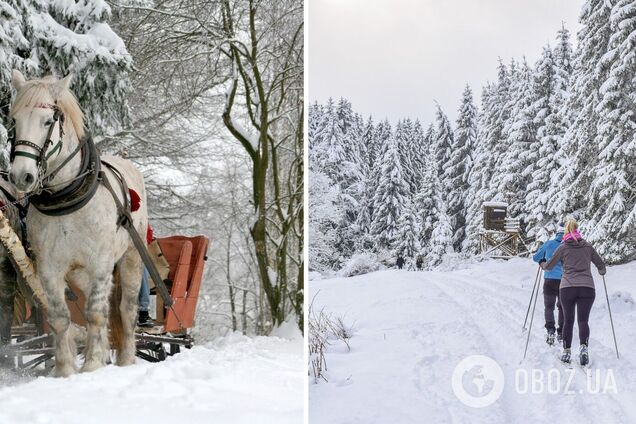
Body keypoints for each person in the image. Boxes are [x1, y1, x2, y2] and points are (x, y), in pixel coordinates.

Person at [540, 218, 606, 366]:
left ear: (566, 232)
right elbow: (600, 264)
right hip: (587, 288)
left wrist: (542, 263)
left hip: (567, 288)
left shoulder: (563, 247)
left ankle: (567, 351)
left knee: (568, 321)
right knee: (583, 321)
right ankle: (583, 348)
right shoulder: (587, 246)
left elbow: (549, 266)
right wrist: (601, 271)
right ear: (577, 230)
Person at [532, 223, 564, 346]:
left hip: (550, 279)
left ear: (556, 234)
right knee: (562, 307)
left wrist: (542, 260)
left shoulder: (549, 244)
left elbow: (535, 258)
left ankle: (550, 330)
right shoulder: (568, 245)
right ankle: (561, 332)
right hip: (564, 280)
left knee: (549, 307)